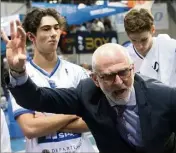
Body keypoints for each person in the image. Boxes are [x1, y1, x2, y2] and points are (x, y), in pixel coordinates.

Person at [2, 21, 176, 152]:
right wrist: (18, 70)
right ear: (95, 79)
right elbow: (36, 98)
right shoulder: (87, 94)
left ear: (133, 69)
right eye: (108, 76)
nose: (118, 82)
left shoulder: (164, 97)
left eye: (123, 72)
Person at [2, 8, 96, 153]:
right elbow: (30, 128)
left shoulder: (78, 72)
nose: (53, 33)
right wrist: (76, 112)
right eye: (46, 29)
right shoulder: (21, 78)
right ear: (32, 37)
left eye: (56, 28)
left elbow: (93, 121)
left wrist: (46, 120)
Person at [124, 8, 176, 86]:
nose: (140, 46)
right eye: (134, 40)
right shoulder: (125, 57)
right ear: (128, 35)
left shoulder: (168, 45)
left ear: (152, 30)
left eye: (144, 40)